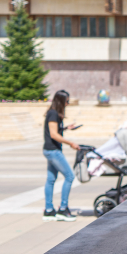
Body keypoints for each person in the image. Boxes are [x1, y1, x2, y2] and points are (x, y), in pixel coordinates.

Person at [43, 90, 79, 221]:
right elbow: (53, 134)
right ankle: (63, 209)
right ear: (61, 101)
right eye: (67, 101)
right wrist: (71, 143)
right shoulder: (53, 113)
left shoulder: (53, 113)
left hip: (51, 150)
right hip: (53, 150)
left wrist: (66, 128)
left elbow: (55, 131)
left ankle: (49, 211)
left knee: (51, 180)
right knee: (69, 176)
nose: (68, 104)